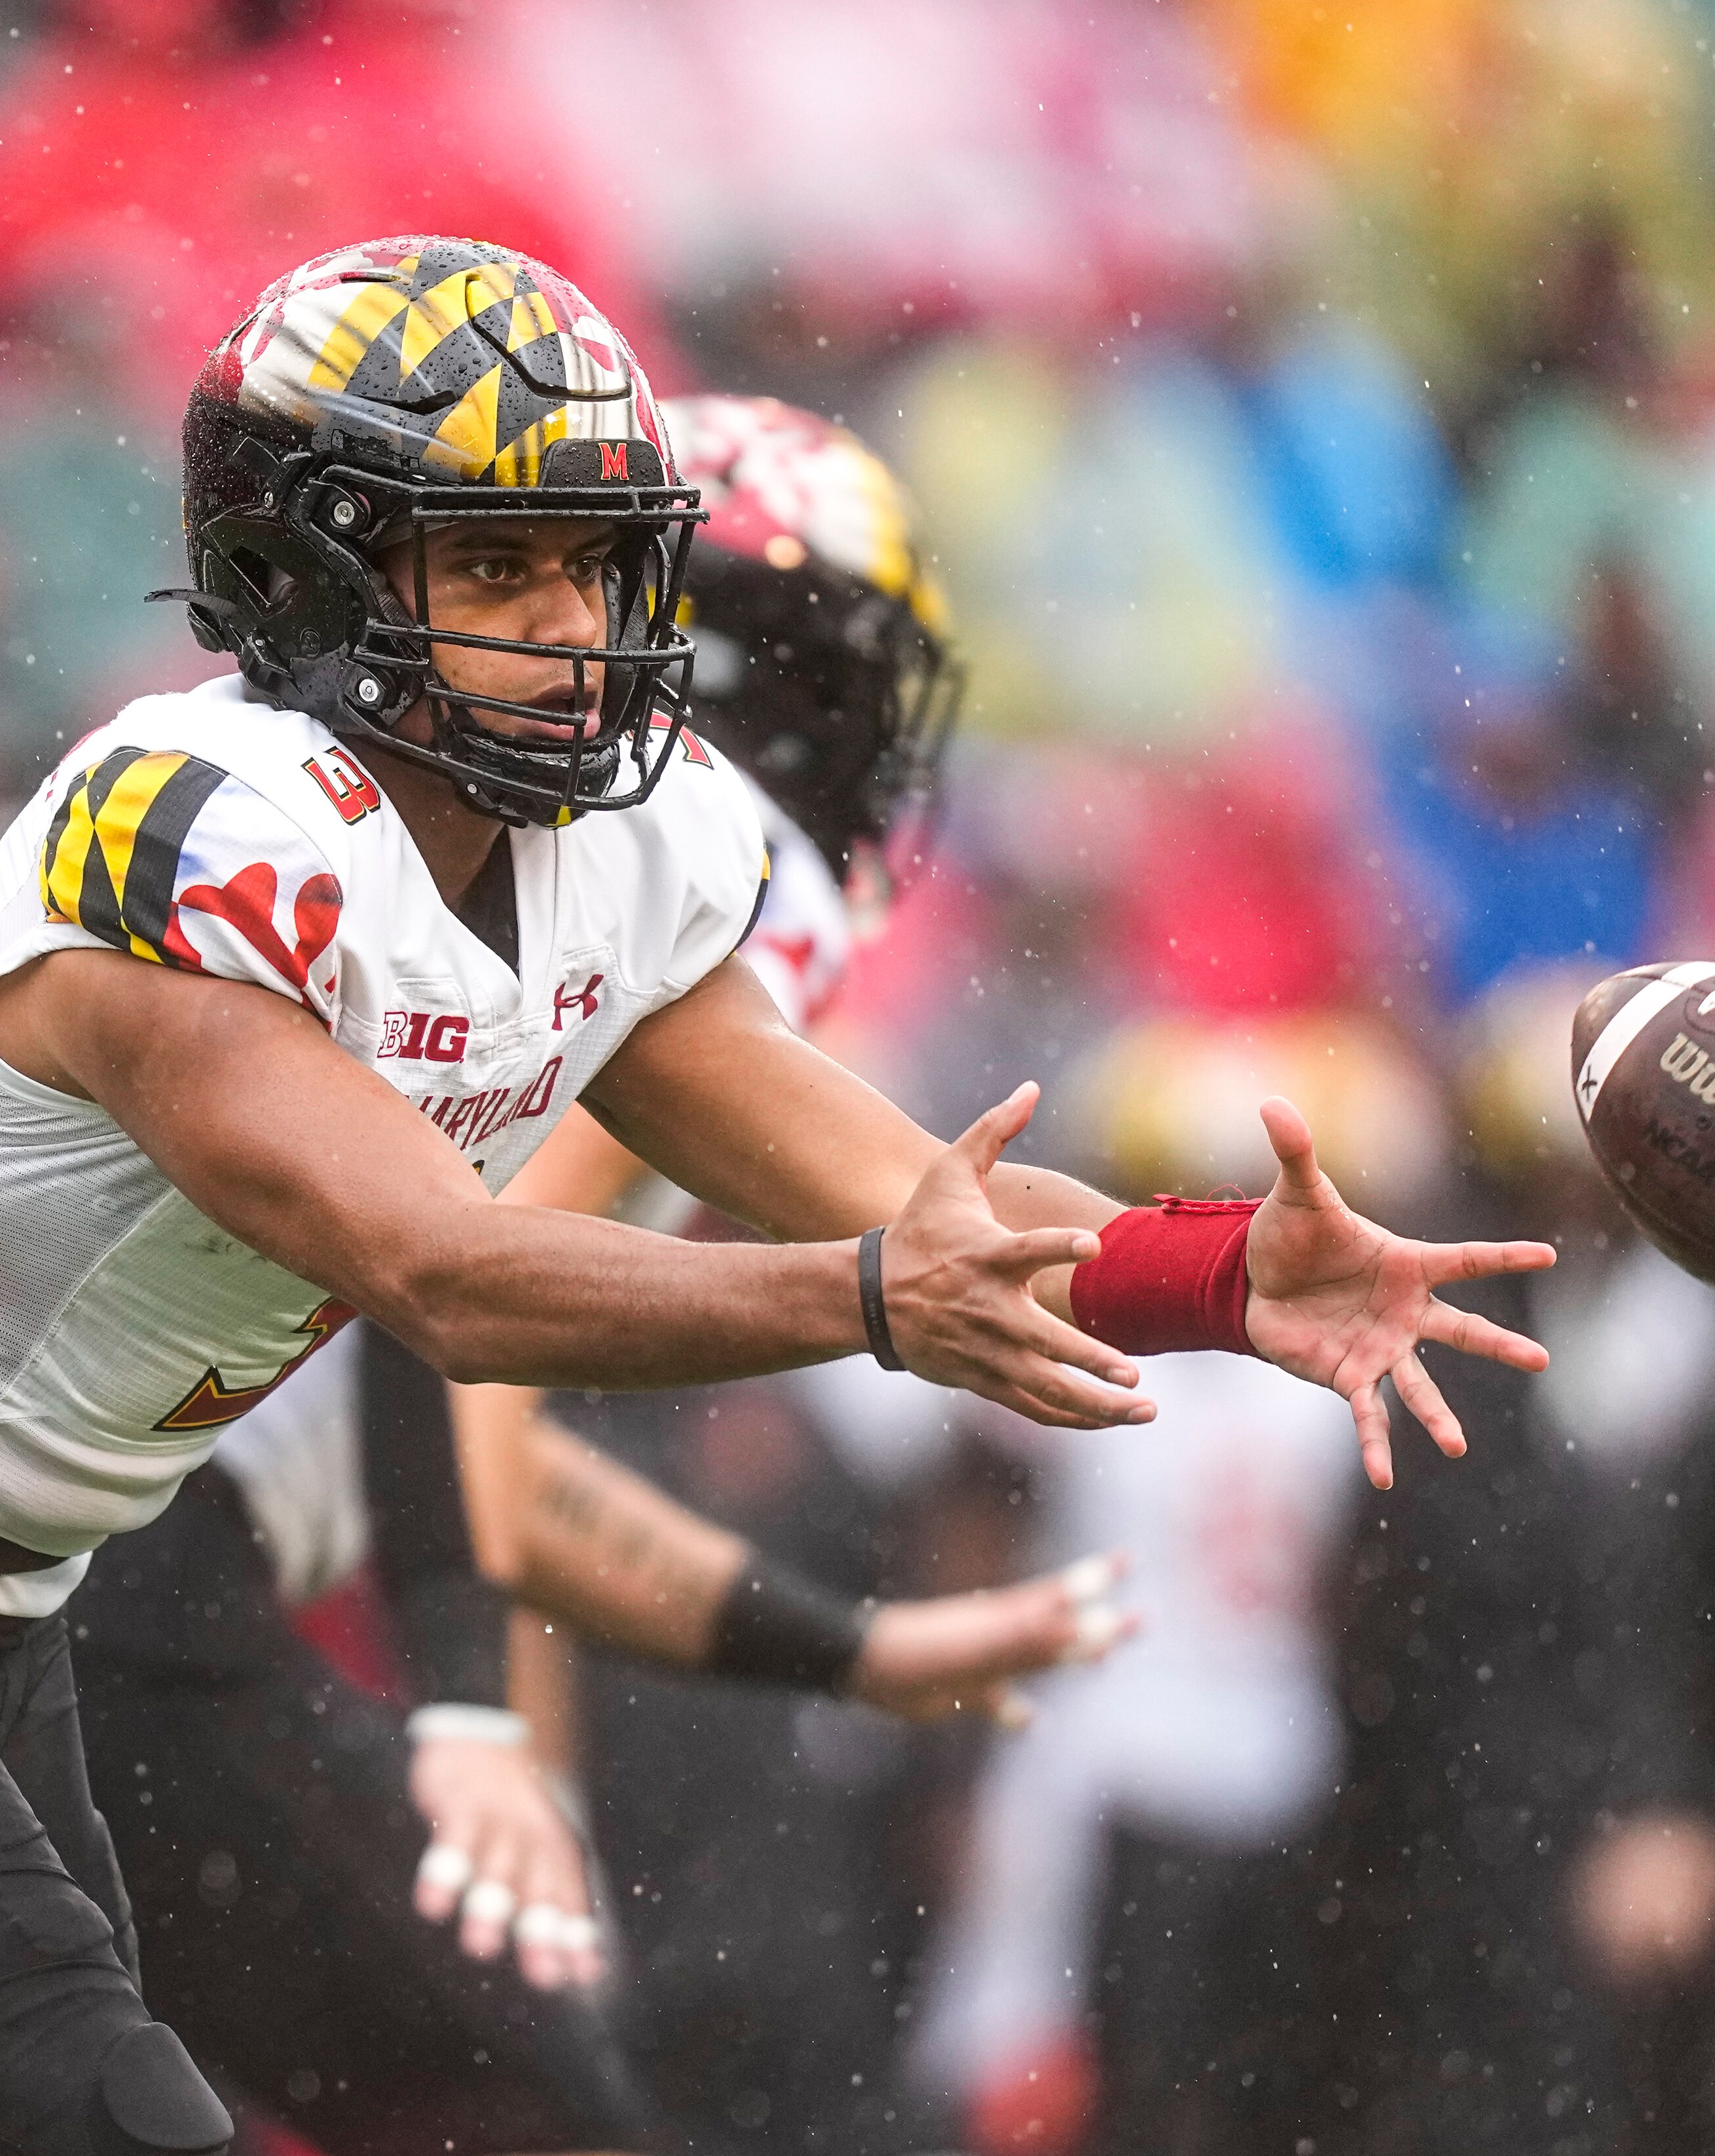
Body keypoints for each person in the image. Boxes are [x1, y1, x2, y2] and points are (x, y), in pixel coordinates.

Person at [0, 235, 1555, 2156]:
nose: (573, 621)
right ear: (310, 576)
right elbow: (454, 1274)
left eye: (596, 561)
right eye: (495, 564)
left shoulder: (624, 850)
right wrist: (873, 1299)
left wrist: (1209, 1273)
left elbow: (901, 1183)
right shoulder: (189, 833)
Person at [66, 390, 1102, 2156]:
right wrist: (505, 1748)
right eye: (852, 671)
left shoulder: (496, 816)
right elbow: (466, 1308)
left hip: (103, 1548)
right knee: (525, 2109)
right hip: (156, 1565)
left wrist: (842, 1646)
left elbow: (491, 1429)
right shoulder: (703, 849)